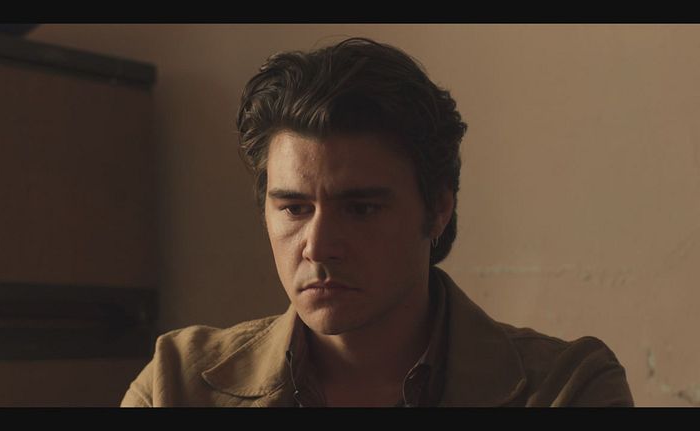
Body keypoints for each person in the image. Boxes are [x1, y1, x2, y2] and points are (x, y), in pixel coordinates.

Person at [121, 37, 634, 407]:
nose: (318, 246)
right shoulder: (177, 384)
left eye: (361, 208)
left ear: (438, 209)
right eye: (294, 208)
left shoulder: (567, 388)